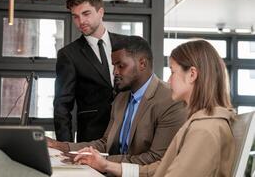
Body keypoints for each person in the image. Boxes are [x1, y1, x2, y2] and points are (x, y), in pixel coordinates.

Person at [74, 39, 235, 177]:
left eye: (172, 72)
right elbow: (161, 168)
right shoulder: (202, 123)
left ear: (192, 74)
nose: (169, 80)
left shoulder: (204, 130)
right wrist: (107, 166)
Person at [48, 35, 187, 165]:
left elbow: (155, 159)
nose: (115, 72)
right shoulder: (121, 97)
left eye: (121, 66)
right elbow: (105, 143)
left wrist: (103, 162)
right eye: (114, 66)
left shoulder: (171, 100)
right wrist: (61, 146)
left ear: (142, 64)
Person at [54, 0, 128, 142]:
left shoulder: (126, 44)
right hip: (91, 138)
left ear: (101, 12)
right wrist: (66, 147)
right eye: (75, 16)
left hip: (128, 133)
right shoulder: (68, 54)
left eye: (86, 14)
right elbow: (62, 106)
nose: (81, 21)